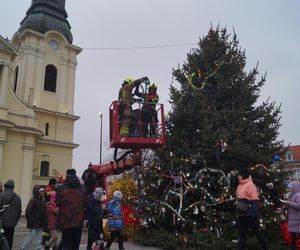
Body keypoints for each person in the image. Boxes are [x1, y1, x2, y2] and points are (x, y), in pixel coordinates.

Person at [236, 168, 268, 250]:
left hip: (249, 214)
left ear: (243, 176)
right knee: (242, 234)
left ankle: (265, 247)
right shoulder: (240, 185)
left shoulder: (251, 185)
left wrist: (254, 213)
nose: (238, 176)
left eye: (239, 175)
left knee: (256, 232)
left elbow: (255, 200)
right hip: (241, 213)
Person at [56, 168, 85, 250]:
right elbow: (86, 202)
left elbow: (57, 202)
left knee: (66, 245)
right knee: (76, 246)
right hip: (78, 221)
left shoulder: (61, 188)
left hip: (66, 221)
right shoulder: (82, 188)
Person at [21, 185, 46, 250]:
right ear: (37, 192)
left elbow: (43, 212)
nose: (43, 192)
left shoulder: (42, 201)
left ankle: (38, 247)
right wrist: (30, 222)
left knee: (39, 236)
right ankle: (23, 248)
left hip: (40, 222)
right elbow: (28, 211)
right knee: (31, 236)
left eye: (43, 191)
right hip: (34, 222)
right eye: (42, 191)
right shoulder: (33, 200)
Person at [0, 179, 22, 250]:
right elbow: (19, 212)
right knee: (9, 240)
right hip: (11, 224)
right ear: (13, 187)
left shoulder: (1, 195)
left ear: (5, 186)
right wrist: (15, 222)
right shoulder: (18, 197)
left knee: (1, 239)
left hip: (1, 223)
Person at [280, 180, 300, 250]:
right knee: (293, 237)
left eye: (290, 187)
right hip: (293, 220)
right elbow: (291, 206)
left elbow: (298, 206)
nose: (289, 189)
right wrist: (286, 205)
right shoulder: (292, 195)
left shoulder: (298, 195)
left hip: (297, 220)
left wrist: (289, 203)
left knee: (295, 237)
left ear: (294, 187)